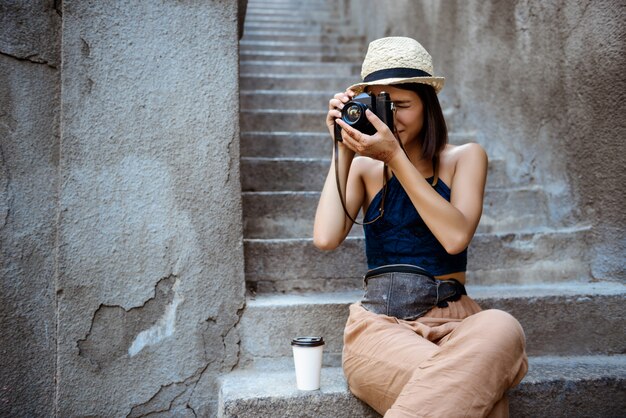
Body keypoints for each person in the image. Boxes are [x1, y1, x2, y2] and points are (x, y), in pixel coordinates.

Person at [313, 37, 528, 418]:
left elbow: (455, 236)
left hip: (459, 321)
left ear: (428, 106)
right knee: (485, 399)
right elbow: (326, 237)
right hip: (381, 327)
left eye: (401, 105)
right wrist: (342, 147)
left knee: (502, 326)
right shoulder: (364, 168)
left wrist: (395, 157)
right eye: (378, 105)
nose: (390, 117)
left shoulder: (465, 158)